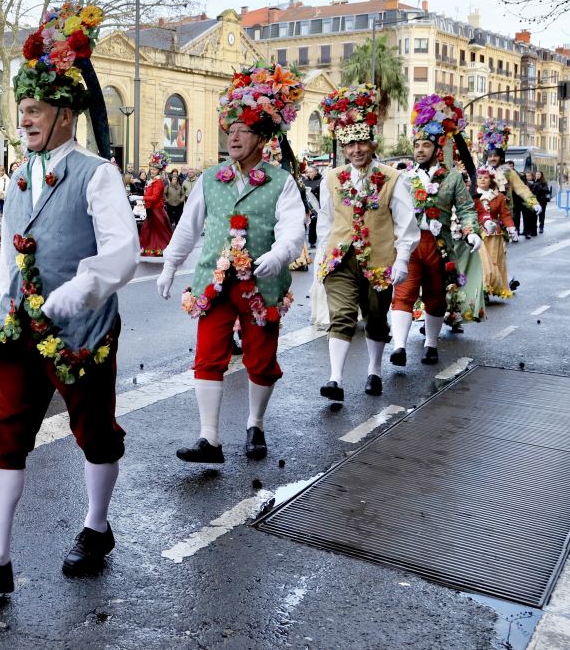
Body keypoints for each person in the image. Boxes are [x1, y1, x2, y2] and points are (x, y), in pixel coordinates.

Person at [0, 3, 136, 596]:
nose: (25, 119)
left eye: (35, 110)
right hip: (20, 325)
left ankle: (95, 527)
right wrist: (7, 307)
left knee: (94, 431)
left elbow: (121, 253)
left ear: (64, 115)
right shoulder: (20, 173)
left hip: (81, 329)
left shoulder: (96, 173)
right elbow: (8, 247)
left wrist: (72, 298)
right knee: (2, 431)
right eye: (21, 110)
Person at [157, 62, 305, 463]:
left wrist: (279, 254)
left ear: (262, 138)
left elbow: (294, 226)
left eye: (243, 131)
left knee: (260, 359)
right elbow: (188, 227)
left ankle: (255, 424)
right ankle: (210, 439)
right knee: (207, 355)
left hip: (261, 284)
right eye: (231, 130)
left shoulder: (281, 180)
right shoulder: (210, 178)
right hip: (215, 282)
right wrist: (171, 264)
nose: (234, 137)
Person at [314, 84, 417, 402]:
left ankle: (374, 371)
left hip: (379, 262)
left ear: (372, 144)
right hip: (341, 260)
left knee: (375, 318)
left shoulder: (392, 179)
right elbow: (326, 222)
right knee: (342, 315)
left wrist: (401, 260)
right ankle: (335, 379)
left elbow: (406, 224)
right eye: (350, 144)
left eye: (361, 142)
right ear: (343, 147)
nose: (356, 149)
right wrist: (322, 255)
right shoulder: (331, 179)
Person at [388, 95, 483, 368]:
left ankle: (431, 344)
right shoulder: (403, 176)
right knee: (403, 292)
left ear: (437, 149)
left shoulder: (452, 177)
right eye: (416, 145)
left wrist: (470, 231)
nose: (419, 150)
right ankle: (399, 347)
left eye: (425, 145)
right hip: (409, 243)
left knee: (435, 295)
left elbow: (465, 208)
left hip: (440, 246)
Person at [480, 121, 538, 238]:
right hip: (483, 216)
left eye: (495, 156)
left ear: (500, 157)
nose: (492, 158)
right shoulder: (481, 171)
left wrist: (533, 203)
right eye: (490, 156)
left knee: (500, 251)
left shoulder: (508, 172)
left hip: (503, 217)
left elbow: (521, 188)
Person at [475, 168, 517, 297]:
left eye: (486, 177)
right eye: (480, 177)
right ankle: (479, 287)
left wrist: (511, 228)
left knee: (493, 262)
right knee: (481, 262)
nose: (482, 180)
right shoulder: (470, 194)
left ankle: (489, 289)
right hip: (475, 232)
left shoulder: (498, 196)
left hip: (493, 235)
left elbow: (505, 214)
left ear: (490, 180)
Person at [139, 153, 173, 257]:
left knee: (160, 231)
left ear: (158, 170)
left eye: (154, 169)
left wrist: (140, 198)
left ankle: (166, 249)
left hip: (157, 210)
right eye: (151, 169)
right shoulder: (152, 180)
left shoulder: (158, 182)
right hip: (150, 209)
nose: (152, 171)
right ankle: (150, 249)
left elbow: (154, 197)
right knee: (149, 230)